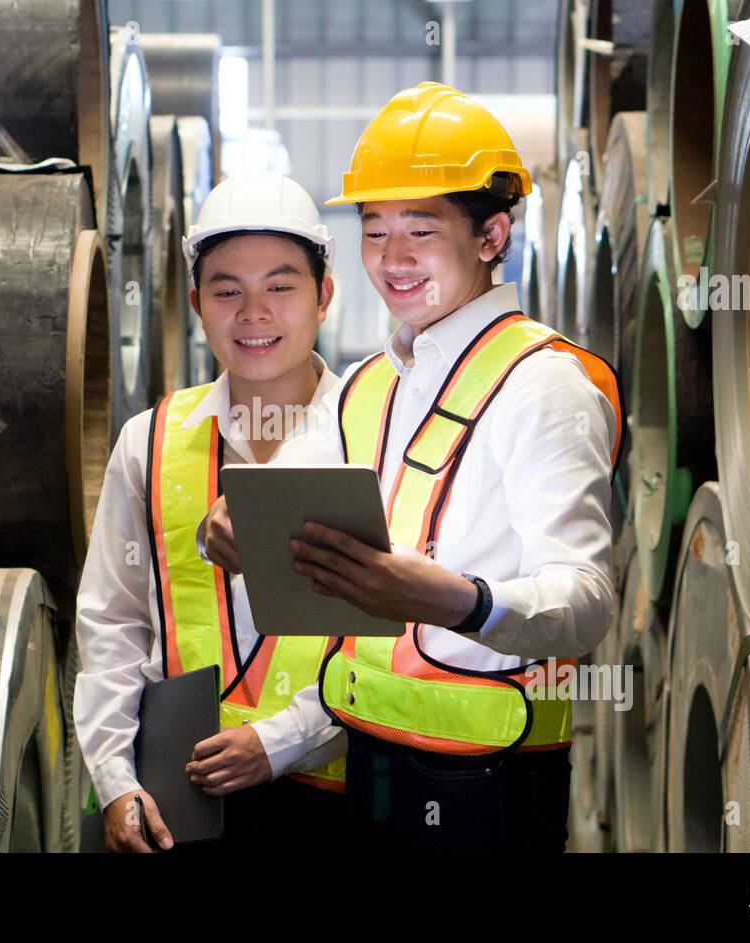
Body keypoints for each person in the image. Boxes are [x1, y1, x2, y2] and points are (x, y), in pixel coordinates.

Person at [203, 83, 624, 853]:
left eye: (420, 231)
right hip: (364, 762)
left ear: (491, 235)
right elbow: (269, 519)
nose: (392, 260)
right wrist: (225, 529)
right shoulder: (370, 385)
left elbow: (588, 601)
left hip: (492, 787)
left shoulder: (544, 383)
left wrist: (460, 601)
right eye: (373, 231)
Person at [73, 170, 348, 853]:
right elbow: (114, 622)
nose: (253, 314)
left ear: (326, 295)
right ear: (196, 302)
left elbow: (391, 644)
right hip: (179, 807)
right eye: (228, 291)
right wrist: (113, 779)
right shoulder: (153, 440)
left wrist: (281, 740)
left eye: (280, 287)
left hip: (336, 796)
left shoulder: (369, 437)